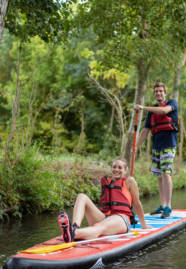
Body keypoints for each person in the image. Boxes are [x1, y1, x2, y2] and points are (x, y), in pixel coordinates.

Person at [58, 158, 151, 242]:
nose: (116, 170)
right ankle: (74, 227)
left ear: (126, 170)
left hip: (121, 219)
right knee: (82, 196)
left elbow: (137, 204)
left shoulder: (129, 181)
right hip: (104, 217)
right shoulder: (106, 182)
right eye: (114, 167)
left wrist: (144, 225)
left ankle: (74, 233)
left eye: (120, 167)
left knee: (99, 227)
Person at [134, 81, 178, 218]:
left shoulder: (172, 103)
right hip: (156, 146)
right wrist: (136, 146)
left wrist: (142, 107)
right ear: (154, 94)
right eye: (156, 91)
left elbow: (164, 111)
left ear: (165, 93)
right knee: (158, 175)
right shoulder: (152, 112)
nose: (158, 93)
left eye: (161, 91)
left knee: (165, 173)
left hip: (169, 144)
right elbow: (145, 131)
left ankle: (168, 207)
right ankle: (163, 204)